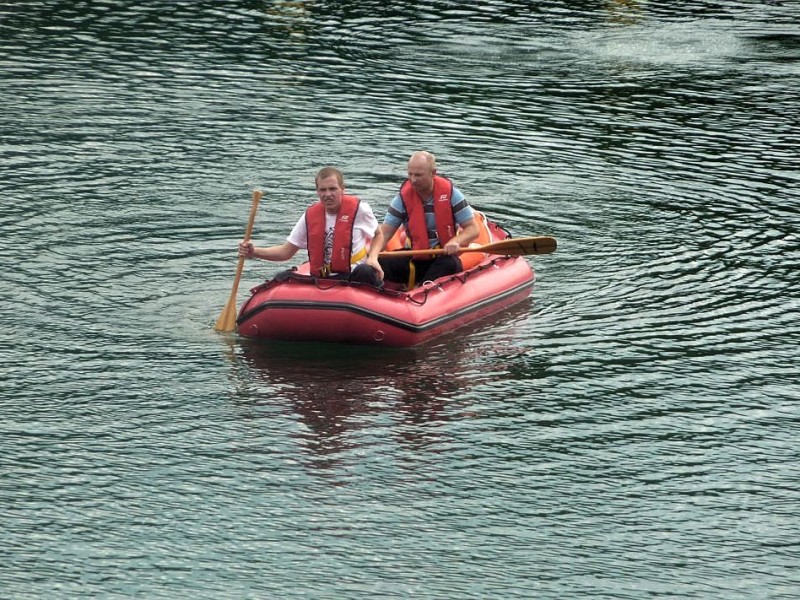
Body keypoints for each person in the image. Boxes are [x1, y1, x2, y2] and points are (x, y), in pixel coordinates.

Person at [238, 166, 381, 286]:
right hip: (322, 279)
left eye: (333, 189)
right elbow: (286, 252)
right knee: (282, 277)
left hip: (352, 276)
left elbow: (379, 234)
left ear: (342, 189)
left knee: (365, 271)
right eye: (323, 190)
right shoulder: (310, 216)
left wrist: (373, 257)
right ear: (317, 191)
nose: (328, 194)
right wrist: (254, 251)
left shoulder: (360, 210)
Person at [365, 151, 480, 288]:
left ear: (433, 173)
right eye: (410, 174)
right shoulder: (401, 200)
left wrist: (456, 241)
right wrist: (372, 256)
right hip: (416, 257)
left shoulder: (452, 195)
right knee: (378, 262)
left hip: (443, 258)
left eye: (418, 175)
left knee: (450, 263)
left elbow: (473, 229)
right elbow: (385, 234)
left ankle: (422, 291)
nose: (413, 180)